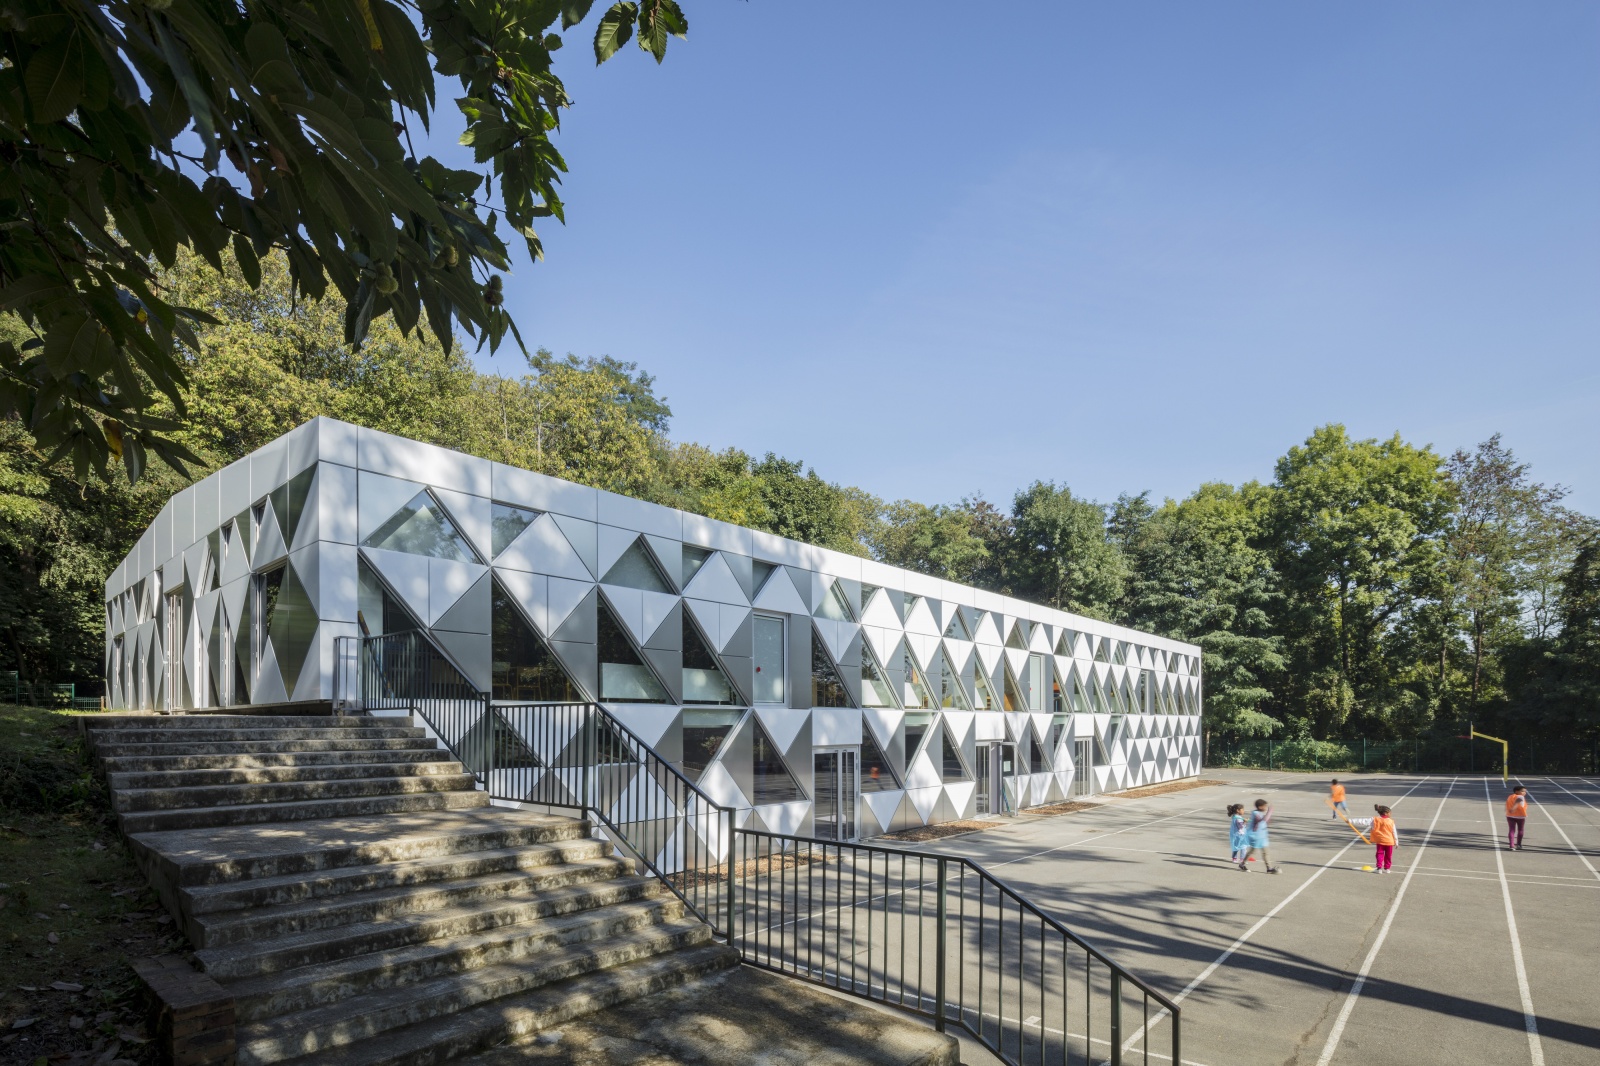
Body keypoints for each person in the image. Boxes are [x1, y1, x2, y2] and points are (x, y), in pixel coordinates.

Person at [1351, 805, 1398, 873]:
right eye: (1390, 813)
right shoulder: (1391, 821)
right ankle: (1387, 868)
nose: (1390, 814)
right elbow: (1394, 832)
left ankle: (1379, 868)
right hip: (1389, 841)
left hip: (1380, 841)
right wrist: (1396, 842)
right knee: (1388, 855)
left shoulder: (1374, 819)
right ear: (1385, 813)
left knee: (1379, 854)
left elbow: (1362, 821)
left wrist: (1351, 821)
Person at [1239, 799, 1278, 874]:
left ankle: (1269, 868)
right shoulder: (1255, 813)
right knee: (1252, 851)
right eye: (1264, 806)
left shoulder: (1260, 813)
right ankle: (1242, 864)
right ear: (1260, 807)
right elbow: (1262, 820)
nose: (1266, 808)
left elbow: (1265, 821)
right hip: (1255, 836)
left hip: (1262, 836)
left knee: (1266, 852)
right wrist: (1269, 812)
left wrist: (1268, 820)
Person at [1506, 785, 1530, 851]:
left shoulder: (1510, 796)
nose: (1524, 793)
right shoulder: (1520, 797)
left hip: (1510, 815)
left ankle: (1511, 845)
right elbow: (1517, 801)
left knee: (1511, 830)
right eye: (1522, 791)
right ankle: (1519, 844)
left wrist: (1511, 810)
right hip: (1520, 816)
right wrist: (1513, 808)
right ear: (1517, 791)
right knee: (1520, 830)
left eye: (1525, 791)